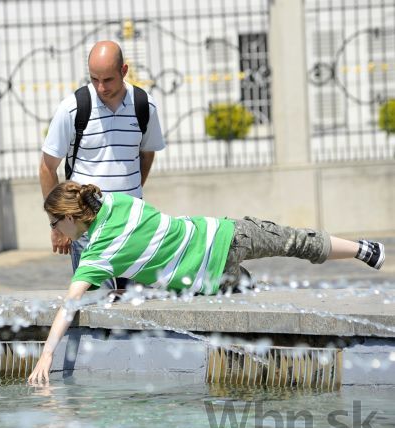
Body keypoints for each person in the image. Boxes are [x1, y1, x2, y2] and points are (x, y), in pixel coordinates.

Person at [28, 181, 386, 384]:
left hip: (212, 278)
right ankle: (364, 250)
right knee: (293, 241)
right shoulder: (114, 202)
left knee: (247, 284)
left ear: (71, 218)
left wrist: (46, 356)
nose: (54, 231)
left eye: (54, 223)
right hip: (223, 235)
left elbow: (69, 306)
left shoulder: (97, 257)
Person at [39, 40, 166, 290]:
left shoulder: (144, 105)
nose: (100, 87)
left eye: (107, 79)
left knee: (135, 308)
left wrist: (130, 192)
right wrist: (58, 224)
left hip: (133, 226)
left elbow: (146, 154)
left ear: (124, 70)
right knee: (96, 310)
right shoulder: (73, 109)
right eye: (94, 78)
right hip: (88, 230)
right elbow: (47, 167)